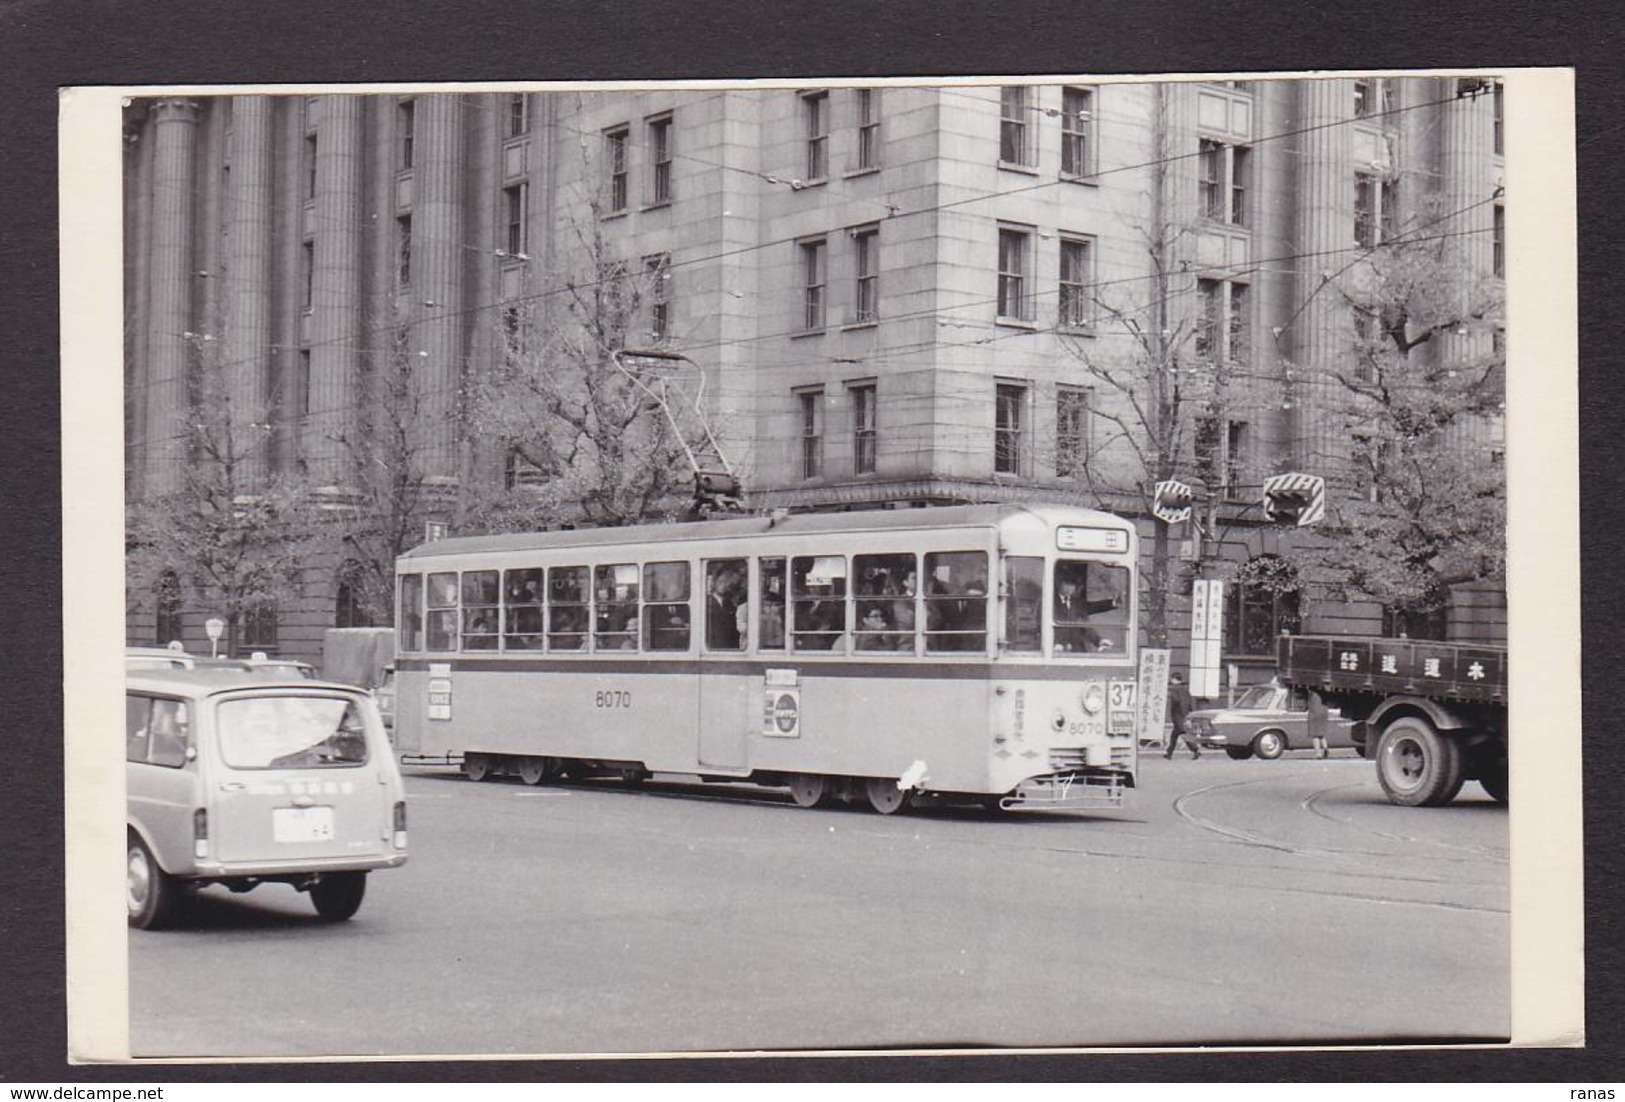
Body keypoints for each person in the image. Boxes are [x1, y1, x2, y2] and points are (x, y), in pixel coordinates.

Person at [1163, 672, 1199, 759]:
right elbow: (1189, 702)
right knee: (1175, 735)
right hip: (1185, 714)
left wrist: (1174, 713)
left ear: (1175, 679)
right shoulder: (1185, 689)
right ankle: (1169, 753)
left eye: (1172, 679)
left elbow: (1176, 703)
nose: (1171, 681)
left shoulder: (1175, 690)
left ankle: (1195, 750)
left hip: (1178, 715)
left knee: (1183, 734)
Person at [1306, 687, 1330, 759]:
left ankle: (1318, 753)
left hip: (1314, 713)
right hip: (1324, 712)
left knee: (1315, 734)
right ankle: (1325, 748)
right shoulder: (1325, 691)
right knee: (1321, 734)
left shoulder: (1312, 692)